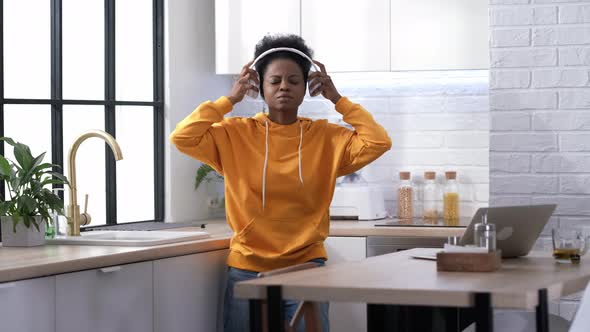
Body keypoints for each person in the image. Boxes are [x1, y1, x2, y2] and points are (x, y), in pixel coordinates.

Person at [170, 34, 392, 332]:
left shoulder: (327, 137)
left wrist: (338, 99)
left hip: (307, 269)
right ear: (259, 86)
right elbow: (183, 137)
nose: (284, 86)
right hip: (246, 268)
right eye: (274, 81)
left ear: (307, 88)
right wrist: (229, 99)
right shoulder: (234, 134)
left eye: (294, 80)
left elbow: (378, 141)